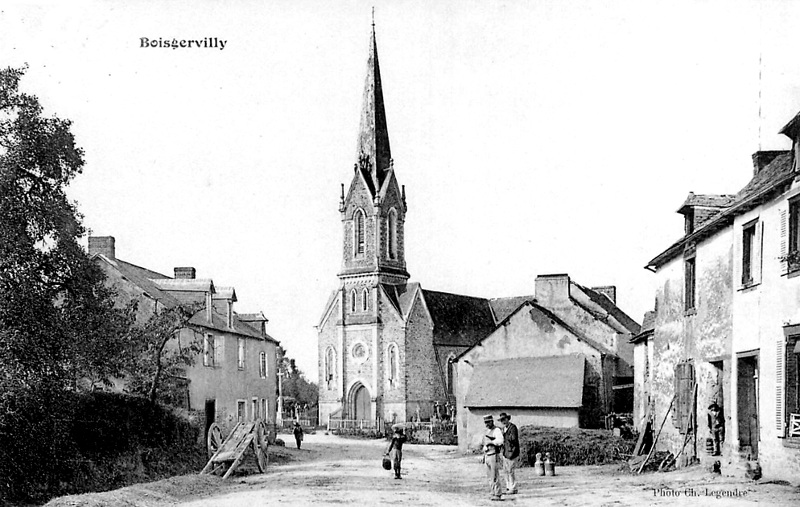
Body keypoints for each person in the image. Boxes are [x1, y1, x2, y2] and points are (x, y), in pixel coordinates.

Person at [481, 414, 505, 501]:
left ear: (492, 421)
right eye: (485, 422)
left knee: (494, 475)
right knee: (489, 475)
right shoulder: (487, 431)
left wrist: (491, 443)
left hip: (494, 454)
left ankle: (498, 493)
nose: (487, 424)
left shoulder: (497, 430)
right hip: (487, 454)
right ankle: (493, 492)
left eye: (488, 422)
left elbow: (500, 441)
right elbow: (484, 443)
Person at [498, 413, 519, 495]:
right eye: (501, 420)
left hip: (512, 452)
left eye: (504, 419)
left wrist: (504, 436)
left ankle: (513, 487)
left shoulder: (513, 427)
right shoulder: (504, 429)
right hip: (505, 452)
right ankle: (508, 486)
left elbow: (513, 438)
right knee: (505, 470)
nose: (503, 421)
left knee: (510, 470)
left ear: (508, 419)